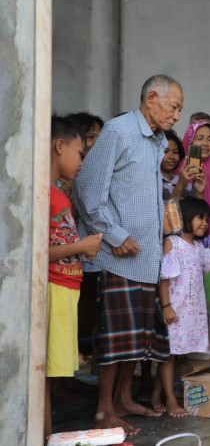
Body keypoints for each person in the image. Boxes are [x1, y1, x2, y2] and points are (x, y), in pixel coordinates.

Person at [74, 74, 184, 435]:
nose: (176, 116)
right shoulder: (119, 131)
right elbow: (88, 191)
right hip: (118, 255)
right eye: (173, 107)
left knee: (133, 339)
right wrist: (116, 236)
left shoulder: (155, 141)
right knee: (113, 337)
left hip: (145, 259)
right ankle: (104, 410)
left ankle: (122, 399)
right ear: (151, 98)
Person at [46, 116, 102, 437]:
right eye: (81, 153)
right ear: (59, 146)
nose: (83, 161)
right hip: (54, 289)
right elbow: (39, 253)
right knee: (45, 381)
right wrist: (81, 245)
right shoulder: (45, 194)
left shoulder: (59, 194)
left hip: (67, 289)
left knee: (51, 378)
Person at [151, 197, 210, 417]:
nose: (204, 223)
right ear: (185, 217)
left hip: (192, 313)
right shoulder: (173, 243)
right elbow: (164, 279)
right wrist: (167, 306)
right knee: (169, 355)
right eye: (200, 217)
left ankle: (156, 395)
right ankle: (170, 400)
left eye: (207, 219)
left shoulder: (200, 248)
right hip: (176, 311)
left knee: (175, 355)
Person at [182, 121, 210, 248]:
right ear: (190, 142)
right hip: (187, 242)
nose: (205, 143)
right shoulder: (179, 168)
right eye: (200, 138)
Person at [161, 129, 205, 200]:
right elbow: (169, 210)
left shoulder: (187, 185)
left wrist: (199, 192)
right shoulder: (151, 182)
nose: (172, 157)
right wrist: (180, 185)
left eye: (175, 152)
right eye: (166, 151)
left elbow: (196, 210)